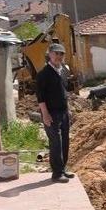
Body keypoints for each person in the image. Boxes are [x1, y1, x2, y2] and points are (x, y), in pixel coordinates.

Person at [36, 43, 74, 183]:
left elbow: (64, 92)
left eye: (61, 54)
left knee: (65, 141)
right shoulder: (43, 74)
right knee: (56, 142)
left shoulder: (63, 71)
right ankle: (57, 174)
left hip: (63, 112)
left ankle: (63, 169)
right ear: (50, 55)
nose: (58, 56)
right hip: (51, 114)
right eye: (56, 53)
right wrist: (45, 114)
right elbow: (40, 97)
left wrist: (68, 109)